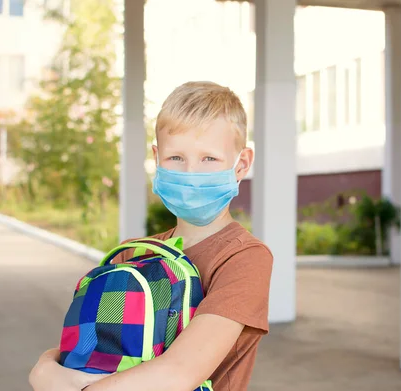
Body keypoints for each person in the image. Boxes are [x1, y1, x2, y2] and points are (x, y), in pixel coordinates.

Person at [29, 81, 274, 391]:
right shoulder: (133, 254)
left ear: (241, 164)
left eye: (209, 159)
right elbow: (82, 348)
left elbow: (179, 374)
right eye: (176, 158)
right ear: (158, 158)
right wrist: (45, 369)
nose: (190, 172)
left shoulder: (244, 257)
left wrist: (49, 378)